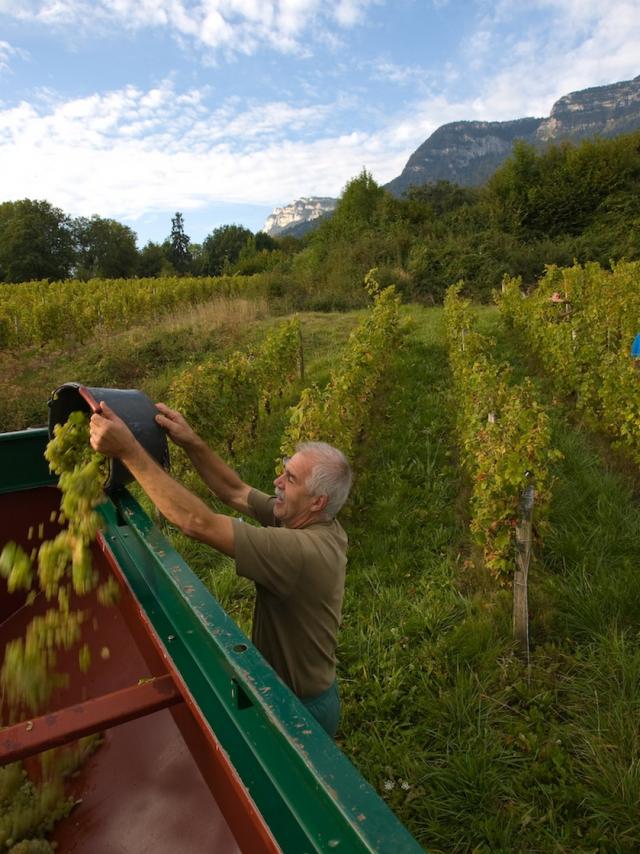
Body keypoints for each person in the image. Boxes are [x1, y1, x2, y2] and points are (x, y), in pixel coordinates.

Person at [89, 401, 352, 738]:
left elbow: (197, 522)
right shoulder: (312, 522)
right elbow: (235, 491)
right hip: (297, 690)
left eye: (290, 478)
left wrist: (128, 451)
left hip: (301, 708)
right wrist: (192, 442)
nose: (277, 481)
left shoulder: (300, 552)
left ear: (317, 502)